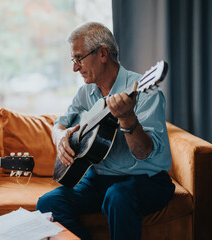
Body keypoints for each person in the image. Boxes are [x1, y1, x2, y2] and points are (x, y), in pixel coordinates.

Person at [36, 22, 175, 240]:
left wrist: (128, 118)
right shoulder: (85, 93)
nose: (75, 67)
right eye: (73, 60)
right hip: (98, 180)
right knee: (47, 203)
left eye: (78, 58)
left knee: (117, 195)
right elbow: (59, 124)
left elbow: (144, 152)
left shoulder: (145, 92)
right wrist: (61, 137)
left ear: (102, 53)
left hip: (145, 179)